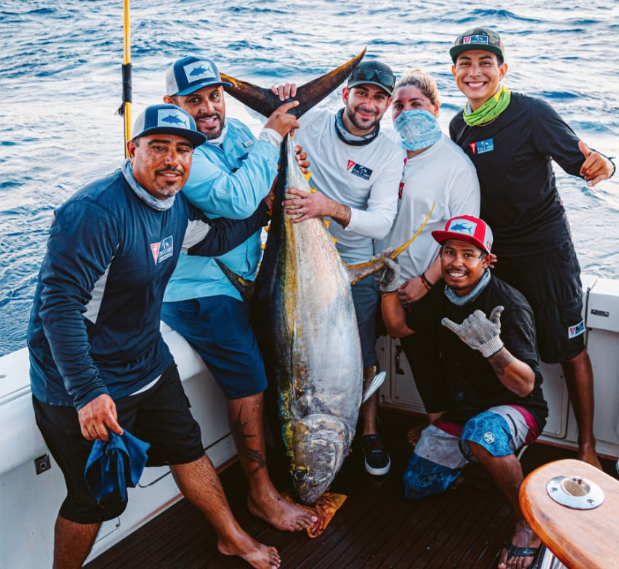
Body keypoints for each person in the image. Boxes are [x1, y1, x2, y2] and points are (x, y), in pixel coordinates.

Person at [27, 104, 280, 569]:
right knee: (99, 501)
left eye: (183, 149)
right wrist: (88, 391)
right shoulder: (94, 214)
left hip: (146, 361)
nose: (172, 160)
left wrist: (267, 210)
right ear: (132, 149)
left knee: (188, 446)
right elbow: (57, 308)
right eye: (158, 147)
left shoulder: (175, 204)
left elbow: (210, 240)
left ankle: (232, 537)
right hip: (81, 384)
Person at [160, 55, 317, 531]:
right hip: (199, 290)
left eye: (214, 96)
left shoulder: (239, 136)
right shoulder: (182, 152)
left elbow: (269, 186)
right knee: (251, 382)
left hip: (246, 277)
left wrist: (288, 144)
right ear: (172, 105)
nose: (207, 109)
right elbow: (238, 199)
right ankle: (260, 495)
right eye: (194, 101)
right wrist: (273, 133)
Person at [448, 27, 616, 469]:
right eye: (466, 63)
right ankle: (507, 434)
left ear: (502, 70)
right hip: (494, 258)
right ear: (454, 73)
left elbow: (586, 159)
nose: (475, 72)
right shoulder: (458, 126)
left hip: (545, 252)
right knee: (502, 346)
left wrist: (604, 163)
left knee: (568, 347)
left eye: (486, 63)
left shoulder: (533, 113)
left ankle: (586, 446)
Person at [379, 215, 548, 569]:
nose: (457, 262)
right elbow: (397, 328)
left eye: (468, 254)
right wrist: (388, 288)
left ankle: (528, 524)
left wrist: (493, 349)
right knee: (416, 484)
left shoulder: (509, 303)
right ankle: (476, 455)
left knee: (483, 433)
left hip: (516, 409)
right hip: (465, 409)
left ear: (486, 260)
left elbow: (526, 385)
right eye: (449, 252)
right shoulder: (441, 296)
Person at [277, 60, 404, 476]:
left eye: (379, 98)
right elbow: (263, 131)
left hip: (352, 264)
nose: (369, 104)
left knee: (361, 355)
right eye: (362, 93)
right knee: (287, 353)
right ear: (346, 92)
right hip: (296, 257)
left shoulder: (388, 152)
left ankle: (367, 431)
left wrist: (326, 207)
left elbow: (383, 221)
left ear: (387, 105)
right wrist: (284, 104)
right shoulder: (309, 123)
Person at [375, 69, 480, 433]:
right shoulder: (386, 151)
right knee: (360, 356)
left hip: (425, 287)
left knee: (429, 370)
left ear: (436, 108)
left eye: (416, 104)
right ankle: (366, 431)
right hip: (377, 279)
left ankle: (445, 440)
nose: (406, 112)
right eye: (399, 106)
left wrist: (426, 280)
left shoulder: (455, 165)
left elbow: (465, 239)